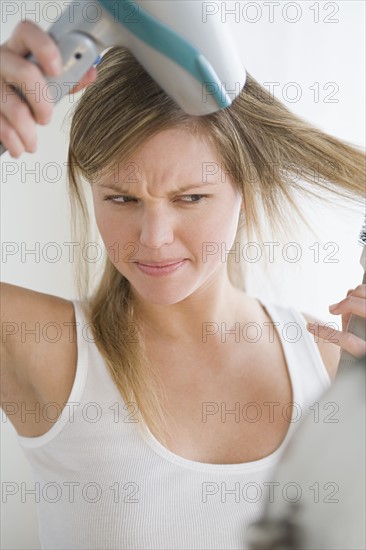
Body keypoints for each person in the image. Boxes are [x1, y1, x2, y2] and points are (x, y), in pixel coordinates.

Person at [1, 20, 365, 550]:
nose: (154, 239)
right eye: (121, 199)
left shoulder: (328, 360)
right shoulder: (40, 344)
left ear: (246, 187)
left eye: (191, 198)